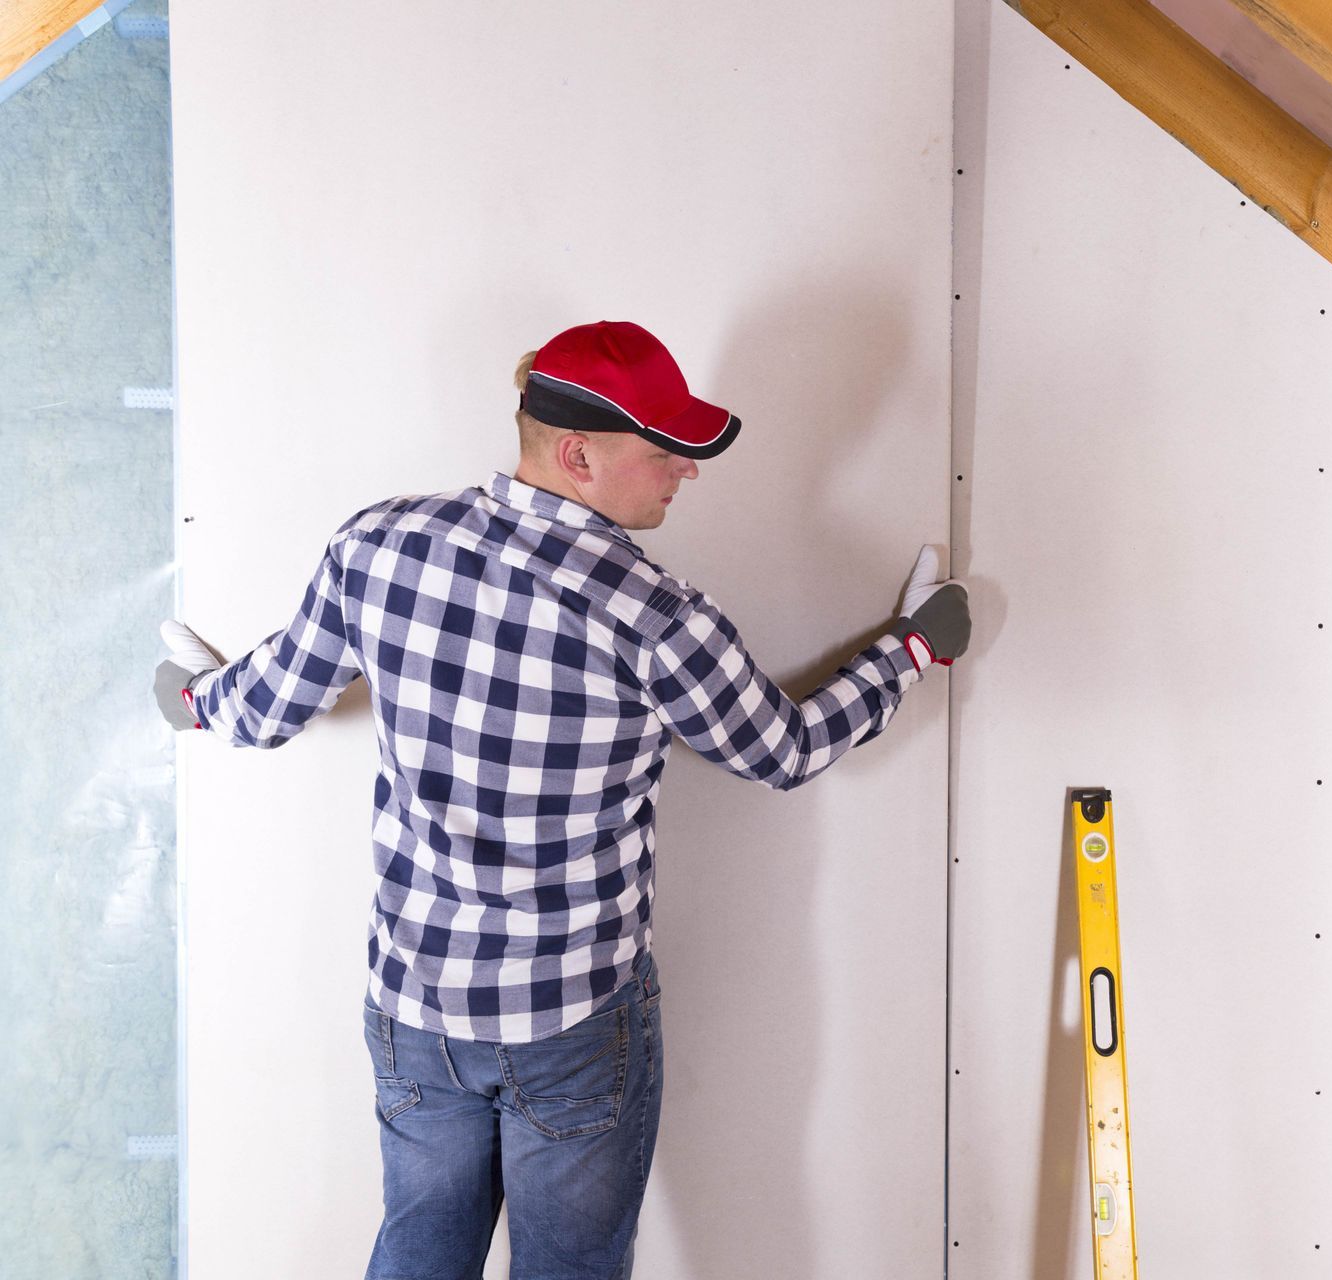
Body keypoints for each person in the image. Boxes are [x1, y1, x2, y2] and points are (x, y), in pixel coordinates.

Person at [151, 319, 971, 1279]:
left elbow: (272, 701)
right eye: (666, 450)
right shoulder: (657, 615)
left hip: (418, 1008)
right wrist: (915, 649)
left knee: (419, 1251)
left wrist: (197, 702)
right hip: (572, 1024)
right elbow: (781, 752)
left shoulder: (376, 547)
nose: (687, 471)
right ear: (579, 453)